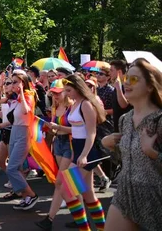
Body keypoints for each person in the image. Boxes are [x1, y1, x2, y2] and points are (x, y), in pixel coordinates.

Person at [102, 58, 162, 231]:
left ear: (150, 86)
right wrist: (110, 145)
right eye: (127, 78)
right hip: (124, 193)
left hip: (154, 198)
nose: (126, 83)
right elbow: (123, 159)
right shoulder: (124, 120)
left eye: (134, 79)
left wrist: (151, 152)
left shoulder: (159, 120)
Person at [53, 74, 108, 231]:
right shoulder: (75, 103)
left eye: (69, 90)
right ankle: (102, 228)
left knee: (65, 188)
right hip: (77, 150)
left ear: (78, 88)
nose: (67, 93)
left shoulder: (85, 104)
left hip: (87, 151)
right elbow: (76, 130)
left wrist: (83, 154)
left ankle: (84, 228)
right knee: (88, 194)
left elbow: (91, 132)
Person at [35, 79, 74, 230]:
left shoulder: (73, 107)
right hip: (59, 143)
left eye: (58, 93)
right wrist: (49, 127)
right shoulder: (55, 106)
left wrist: (58, 127)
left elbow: (79, 130)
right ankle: (80, 216)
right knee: (72, 184)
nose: (55, 96)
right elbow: (55, 130)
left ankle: (49, 219)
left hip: (71, 145)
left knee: (61, 182)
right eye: (53, 94)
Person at [4, 71, 39, 210]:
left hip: (24, 133)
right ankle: (26, 197)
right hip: (15, 131)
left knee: (11, 168)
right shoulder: (16, 97)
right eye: (12, 82)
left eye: (16, 82)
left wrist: (22, 94)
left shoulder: (28, 95)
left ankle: (31, 194)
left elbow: (26, 111)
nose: (13, 84)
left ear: (23, 83)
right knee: (16, 168)